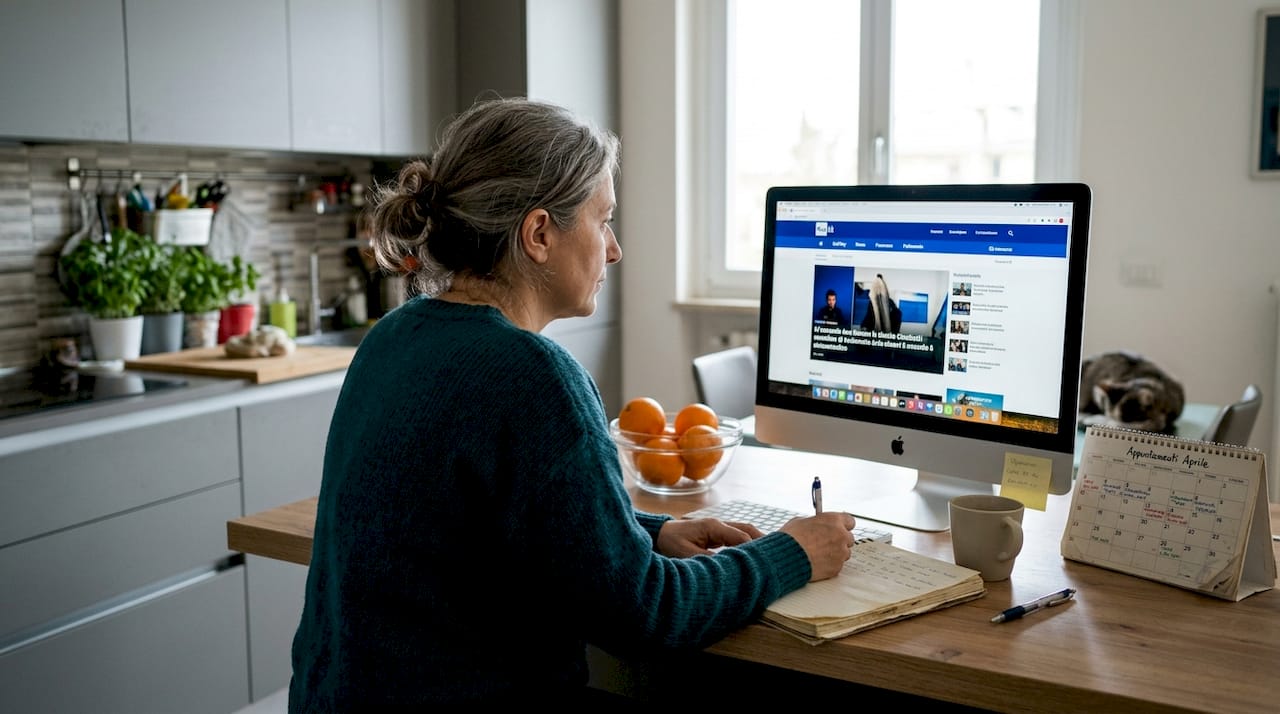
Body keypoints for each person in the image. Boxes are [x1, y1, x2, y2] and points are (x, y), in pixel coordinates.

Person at [288, 97, 858, 710]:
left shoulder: (392, 338)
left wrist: (649, 531)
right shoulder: (533, 376)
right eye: (602, 220)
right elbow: (648, 615)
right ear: (538, 234)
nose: (613, 249)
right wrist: (792, 553)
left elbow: (481, 528)